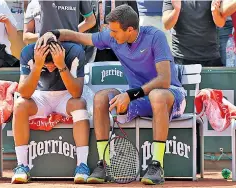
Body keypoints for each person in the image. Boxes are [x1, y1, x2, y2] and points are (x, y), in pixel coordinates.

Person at [36, 4, 186, 185]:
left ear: (130, 29)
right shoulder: (113, 37)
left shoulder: (156, 37)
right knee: (100, 98)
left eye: (115, 31)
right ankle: (104, 164)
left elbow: (164, 80)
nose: (111, 35)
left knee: (157, 96)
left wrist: (130, 95)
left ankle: (156, 165)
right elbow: (79, 36)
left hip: (171, 96)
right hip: (138, 97)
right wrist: (53, 33)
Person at [11, 39, 91, 184]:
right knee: (19, 105)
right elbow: (24, 93)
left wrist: (60, 65)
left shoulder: (75, 52)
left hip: (66, 96)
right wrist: (37, 66)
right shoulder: (28, 52)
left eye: (52, 64)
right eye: (46, 66)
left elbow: (76, 93)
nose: (49, 69)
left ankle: (82, 165)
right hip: (40, 96)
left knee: (79, 104)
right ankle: (22, 166)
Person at [162, 0, 225, 67]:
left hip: (211, 56)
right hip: (182, 58)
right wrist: (176, 10)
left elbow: (221, 23)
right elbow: (167, 25)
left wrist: (215, 11)